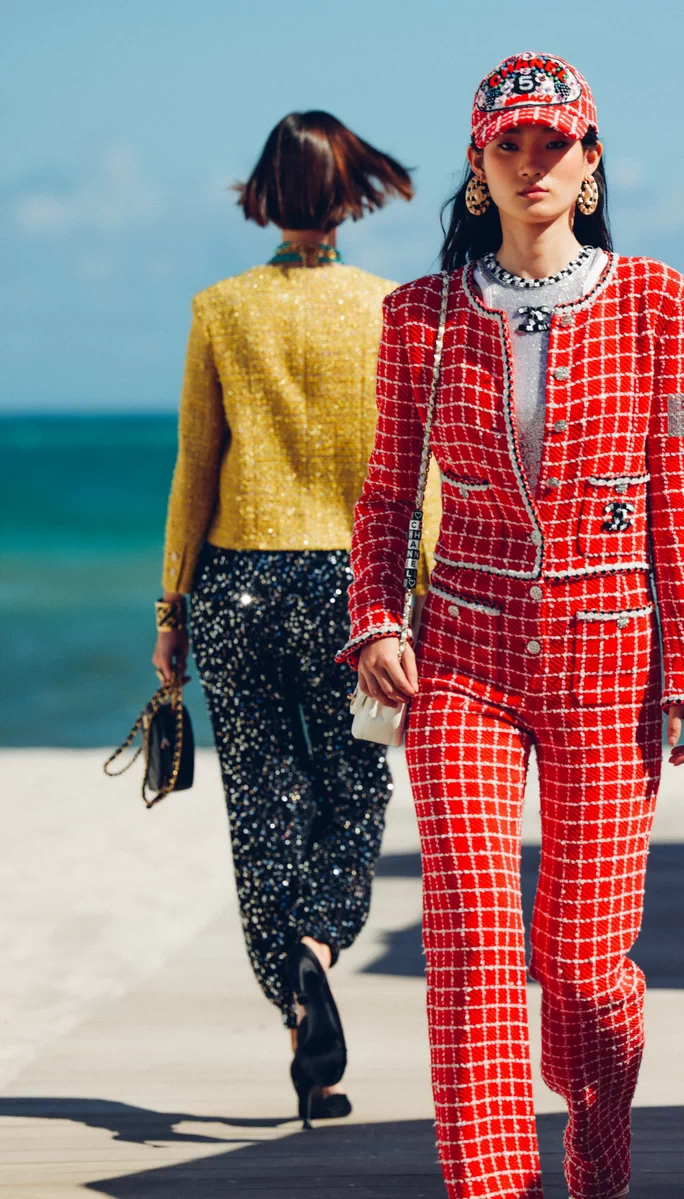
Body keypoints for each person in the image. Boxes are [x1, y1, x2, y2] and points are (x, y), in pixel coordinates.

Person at [340, 52, 684, 1199]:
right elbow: (385, 495)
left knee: (582, 962)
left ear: (589, 162)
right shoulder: (416, 317)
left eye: (551, 145)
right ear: (476, 169)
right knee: (467, 940)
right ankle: (491, 1184)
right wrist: (372, 619)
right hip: (460, 655)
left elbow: (677, 490)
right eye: (506, 146)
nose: (528, 164)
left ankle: (594, 1152)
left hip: (612, 657)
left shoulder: (662, 301)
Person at [153, 110, 439, 1126]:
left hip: (235, 586)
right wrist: (422, 594)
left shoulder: (219, 307)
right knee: (353, 785)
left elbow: (196, 467)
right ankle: (320, 944)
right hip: (349, 594)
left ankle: (296, 1027)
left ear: (264, 195)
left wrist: (170, 611)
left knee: (262, 808)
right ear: (353, 190)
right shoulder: (392, 307)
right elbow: (420, 468)